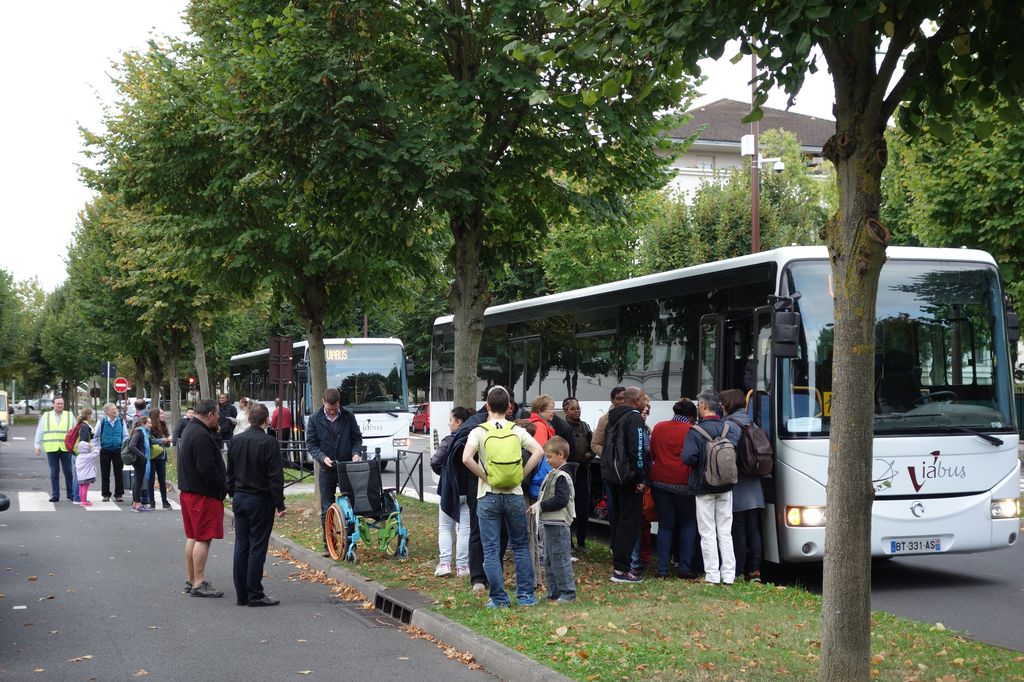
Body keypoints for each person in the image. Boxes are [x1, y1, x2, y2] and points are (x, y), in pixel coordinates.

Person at [462, 386, 545, 608]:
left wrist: (485, 477)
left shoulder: (479, 431)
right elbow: (539, 451)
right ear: (509, 407)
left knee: (490, 548)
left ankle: (498, 598)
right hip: (514, 495)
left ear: (487, 406)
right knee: (519, 545)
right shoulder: (517, 430)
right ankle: (526, 595)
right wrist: (521, 475)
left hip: (487, 495)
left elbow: (466, 458)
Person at [227, 403, 286, 607]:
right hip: (260, 498)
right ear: (266, 420)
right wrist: (280, 504)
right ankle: (255, 592)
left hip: (241, 497)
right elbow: (275, 477)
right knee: (258, 546)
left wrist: (232, 492)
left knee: (241, 545)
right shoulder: (269, 442)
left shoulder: (235, 441)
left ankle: (241, 593)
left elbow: (230, 472)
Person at [682, 390, 740, 585]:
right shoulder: (729, 429)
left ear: (704, 406)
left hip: (704, 486)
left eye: (699, 405)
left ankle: (713, 574)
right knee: (725, 531)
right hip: (726, 486)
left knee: (707, 531)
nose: (698, 408)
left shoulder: (695, 431)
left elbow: (688, 458)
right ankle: (729, 574)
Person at [178, 398, 228, 598]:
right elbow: (207, 469)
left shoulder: (190, 429)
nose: (219, 418)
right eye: (218, 414)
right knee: (203, 538)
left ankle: (191, 579)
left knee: (193, 536)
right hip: (202, 494)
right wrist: (221, 489)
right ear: (210, 415)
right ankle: (198, 582)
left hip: (190, 491)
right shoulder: (201, 436)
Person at [306, 388, 364, 557]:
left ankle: (352, 543)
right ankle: (328, 544)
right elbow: (311, 444)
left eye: (335, 409)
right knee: (327, 507)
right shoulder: (315, 419)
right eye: (330, 409)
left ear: (339, 404)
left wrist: (356, 453)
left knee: (352, 505)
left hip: (346, 466)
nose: (332, 412)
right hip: (327, 468)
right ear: (323, 402)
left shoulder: (348, 415)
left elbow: (357, 438)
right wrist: (322, 458)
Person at [603, 386, 649, 584]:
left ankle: (619, 566)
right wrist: (640, 478)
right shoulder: (635, 418)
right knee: (630, 522)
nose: (646, 402)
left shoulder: (612, 418)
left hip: (614, 476)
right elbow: (637, 450)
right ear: (637, 400)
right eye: (644, 399)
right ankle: (622, 570)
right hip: (629, 477)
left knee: (620, 521)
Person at [649, 399, 699, 579]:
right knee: (688, 523)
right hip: (684, 483)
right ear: (692, 416)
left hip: (659, 481)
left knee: (665, 525)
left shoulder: (659, 427)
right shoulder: (692, 431)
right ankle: (684, 567)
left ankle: (662, 569)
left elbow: (652, 454)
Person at [721, 388, 765, 583]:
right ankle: (755, 570)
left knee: (737, 528)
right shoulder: (753, 423)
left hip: (737, 485)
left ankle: (738, 569)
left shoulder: (729, 425)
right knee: (754, 528)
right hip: (755, 486)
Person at [530, 436, 577, 603]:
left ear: (561, 454)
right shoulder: (554, 473)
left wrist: (541, 506)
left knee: (560, 558)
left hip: (559, 523)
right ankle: (554, 592)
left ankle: (568, 592)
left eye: (549, 457)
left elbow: (561, 500)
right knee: (549, 559)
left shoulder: (563, 476)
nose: (547, 460)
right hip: (549, 523)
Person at [430, 407, 472, 578]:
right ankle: (462, 567)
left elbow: (435, 461)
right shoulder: (472, 439)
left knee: (446, 527)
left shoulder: (448, 441)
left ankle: (445, 564)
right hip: (467, 489)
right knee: (465, 529)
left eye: (451, 420)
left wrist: (445, 474)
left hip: (449, 490)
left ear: (458, 422)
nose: (449, 423)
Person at [562, 398, 594, 553]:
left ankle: (581, 542)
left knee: (582, 507)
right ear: (566, 411)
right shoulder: (561, 427)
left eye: (578, 408)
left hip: (583, 470)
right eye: (573, 409)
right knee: (566, 506)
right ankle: (567, 543)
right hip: (567, 470)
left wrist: (588, 456)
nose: (577, 411)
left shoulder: (586, 427)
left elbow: (594, 445)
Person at [34, 396, 75, 503]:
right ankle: (55, 495)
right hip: (51, 448)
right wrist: (37, 445)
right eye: (58, 403)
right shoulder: (46, 416)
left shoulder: (69, 415)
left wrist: (76, 446)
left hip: (65, 448)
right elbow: (40, 431)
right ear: (53, 404)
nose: (60, 405)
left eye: (62, 403)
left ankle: (70, 494)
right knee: (54, 473)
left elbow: (75, 431)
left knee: (68, 472)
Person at [92, 402, 129, 502]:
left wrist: (123, 446)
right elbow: (95, 436)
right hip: (105, 450)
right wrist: (99, 447)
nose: (115, 411)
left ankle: (119, 494)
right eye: (113, 409)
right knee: (105, 473)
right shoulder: (102, 422)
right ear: (107, 411)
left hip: (118, 450)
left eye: (115, 409)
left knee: (119, 473)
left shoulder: (121, 421)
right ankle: (106, 494)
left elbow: (125, 436)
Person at [147, 407, 172, 510]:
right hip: (152, 456)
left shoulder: (164, 425)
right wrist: (163, 440)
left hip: (161, 456)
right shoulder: (151, 427)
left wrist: (168, 441)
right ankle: (151, 501)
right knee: (151, 480)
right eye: (161, 413)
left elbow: (165, 443)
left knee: (162, 480)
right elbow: (150, 441)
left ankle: (164, 501)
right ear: (155, 416)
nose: (163, 415)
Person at [590, 386, 625, 459]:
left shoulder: (635, 416)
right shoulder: (605, 420)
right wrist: (611, 456)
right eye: (618, 398)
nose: (622, 401)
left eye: (624, 398)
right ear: (612, 400)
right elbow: (595, 444)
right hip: (612, 466)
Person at [127, 417, 154, 513]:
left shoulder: (143, 432)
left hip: (140, 460)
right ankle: (138, 504)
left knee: (137, 482)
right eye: (149, 423)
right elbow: (131, 445)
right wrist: (143, 456)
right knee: (138, 482)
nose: (151, 425)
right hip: (139, 461)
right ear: (143, 424)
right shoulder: (139, 432)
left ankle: (135, 504)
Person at [73, 408, 96, 506]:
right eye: (92, 414)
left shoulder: (79, 424)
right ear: (89, 415)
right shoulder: (85, 426)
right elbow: (83, 441)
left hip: (76, 452)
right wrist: (90, 448)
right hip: (81, 454)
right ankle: (79, 499)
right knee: (83, 480)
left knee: (78, 477)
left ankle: (78, 498)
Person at [75, 439, 99, 507]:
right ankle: (84, 502)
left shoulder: (78, 457)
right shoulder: (89, 456)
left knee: (81, 488)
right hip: (87, 476)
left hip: (80, 476)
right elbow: (97, 451)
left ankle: (82, 500)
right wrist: (92, 446)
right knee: (85, 488)